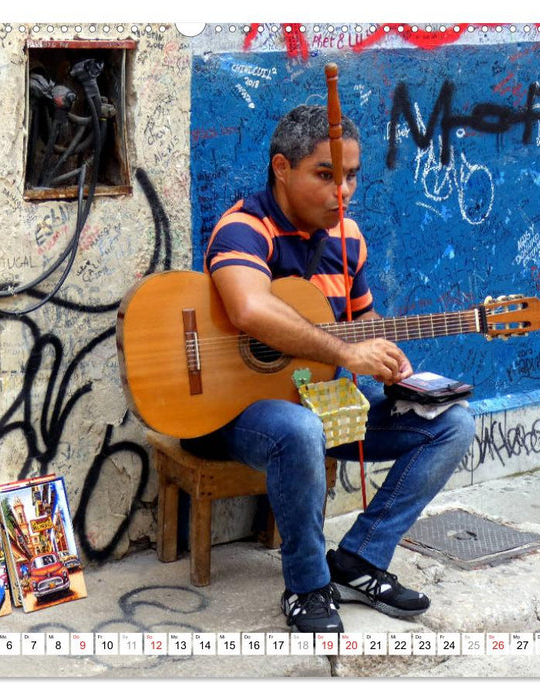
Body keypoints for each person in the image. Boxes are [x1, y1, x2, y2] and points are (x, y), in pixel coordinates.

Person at [183, 105, 475, 633]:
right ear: (281, 168)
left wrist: (387, 355)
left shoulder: (349, 239)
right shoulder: (245, 228)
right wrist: (343, 355)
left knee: (453, 423)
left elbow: (365, 322)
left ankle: (360, 557)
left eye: (351, 176)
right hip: (230, 414)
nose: (343, 191)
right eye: (325, 175)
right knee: (298, 428)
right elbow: (250, 309)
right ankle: (308, 585)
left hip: (318, 409)